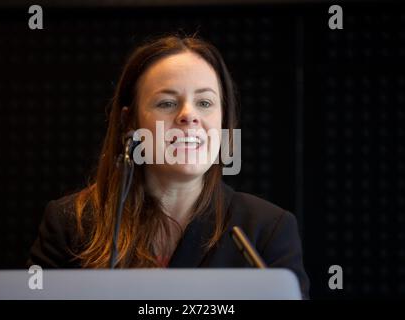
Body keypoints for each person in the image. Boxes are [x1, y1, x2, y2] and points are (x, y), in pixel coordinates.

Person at [27, 34, 310, 299]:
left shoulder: (267, 230)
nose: (189, 116)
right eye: (166, 103)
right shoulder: (69, 224)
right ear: (130, 123)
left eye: (204, 102)